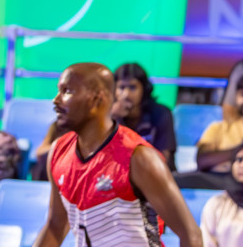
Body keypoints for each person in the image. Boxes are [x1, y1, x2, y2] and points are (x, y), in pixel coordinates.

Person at [35, 63, 202, 247]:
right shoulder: (58, 150)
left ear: (97, 99)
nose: (56, 100)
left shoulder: (140, 158)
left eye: (67, 91)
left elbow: (191, 234)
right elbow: (55, 226)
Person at [113, 63, 177, 167]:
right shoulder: (109, 117)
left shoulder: (161, 113)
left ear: (144, 89)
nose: (126, 94)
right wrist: (112, 119)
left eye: (132, 87)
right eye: (121, 87)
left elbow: (163, 160)